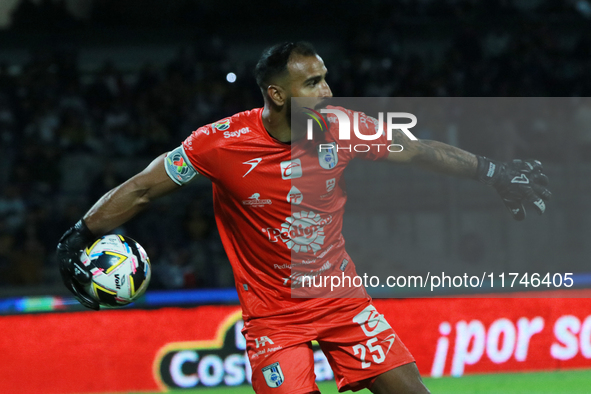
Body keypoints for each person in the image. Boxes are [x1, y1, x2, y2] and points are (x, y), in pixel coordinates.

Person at [57, 42, 551, 394]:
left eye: (324, 77)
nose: (327, 90)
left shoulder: (342, 128)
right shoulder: (218, 143)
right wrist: (81, 233)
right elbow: (144, 187)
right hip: (274, 320)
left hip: (344, 304)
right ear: (276, 95)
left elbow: (418, 151)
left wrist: (494, 171)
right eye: (312, 82)